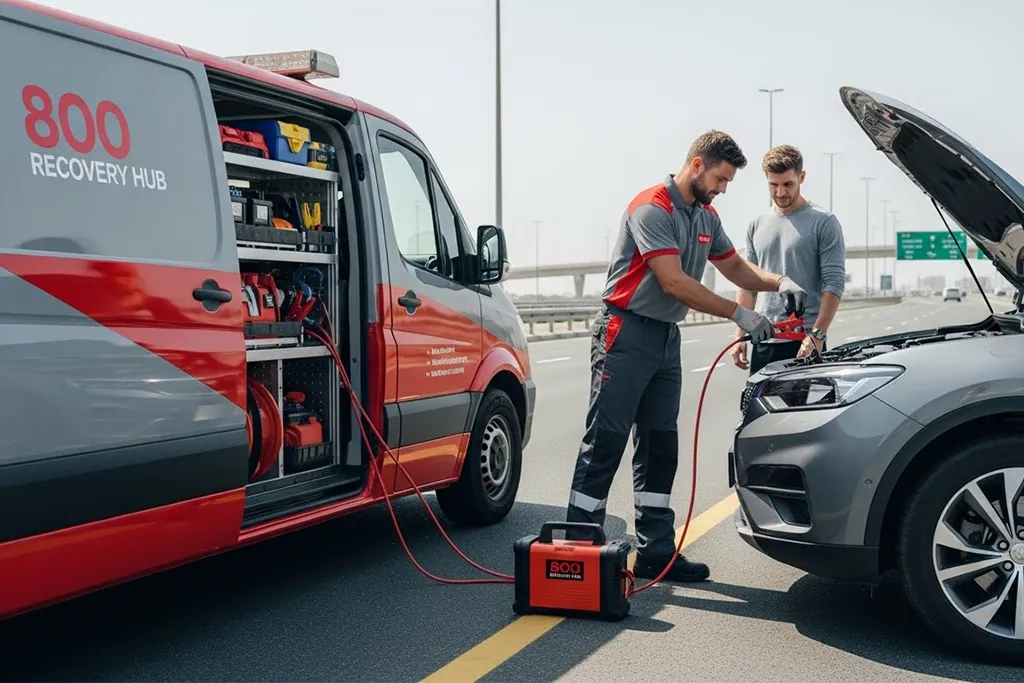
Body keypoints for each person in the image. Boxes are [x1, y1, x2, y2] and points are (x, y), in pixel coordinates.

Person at [564, 130, 807, 583]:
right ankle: (576, 549)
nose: (722, 188)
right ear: (697, 165)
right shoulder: (651, 207)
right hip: (625, 333)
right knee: (607, 440)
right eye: (719, 178)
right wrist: (739, 314)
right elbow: (674, 282)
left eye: (728, 182)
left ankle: (655, 551)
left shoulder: (705, 216)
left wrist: (778, 283)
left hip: (664, 340)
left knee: (661, 446)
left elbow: (733, 266)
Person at [731, 145, 847, 374]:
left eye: (788, 184)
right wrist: (740, 333)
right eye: (773, 185)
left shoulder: (824, 222)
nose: (780, 193)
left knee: (804, 410)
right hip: (763, 339)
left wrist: (818, 334)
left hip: (805, 343)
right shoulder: (756, 224)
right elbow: (748, 283)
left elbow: (833, 284)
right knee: (760, 409)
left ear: (801, 177)